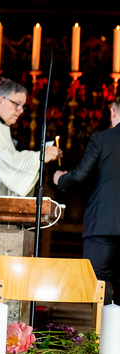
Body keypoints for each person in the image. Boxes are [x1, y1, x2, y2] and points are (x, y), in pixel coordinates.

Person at [54, 97, 120, 302]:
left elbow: (81, 175)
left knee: (97, 286)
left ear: (113, 112)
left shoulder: (102, 139)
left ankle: (104, 323)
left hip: (103, 227)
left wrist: (61, 179)